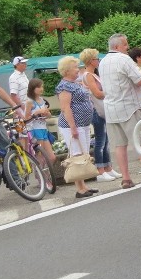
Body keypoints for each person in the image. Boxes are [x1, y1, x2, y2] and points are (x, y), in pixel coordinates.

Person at [99, 34, 141, 188]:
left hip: (111, 108)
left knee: (119, 145)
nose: (127, 47)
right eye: (125, 44)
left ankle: (126, 178)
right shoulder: (124, 60)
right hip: (130, 106)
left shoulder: (103, 62)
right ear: (117, 46)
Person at [55, 56, 97, 199]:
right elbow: (66, 108)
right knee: (77, 155)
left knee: (83, 153)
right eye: (75, 67)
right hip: (73, 125)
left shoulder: (75, 83)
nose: (78, 70)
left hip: (83, 124)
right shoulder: (64, 86)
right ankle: (79, 188)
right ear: (67, 70)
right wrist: (73, 127)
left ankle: (83, 185)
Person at [80, 48, 121, 182]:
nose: (98, 60)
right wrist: (111, 92)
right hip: (96, 110)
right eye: (96, 58)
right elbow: (97, 93)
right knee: (100, 141)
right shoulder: (88, 75)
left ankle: (108, 167)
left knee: (106, 141)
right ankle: (100, 170)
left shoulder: (94, 74)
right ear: (90, 61)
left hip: (102, 110)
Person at [23, 78, 58, 180]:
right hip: (35, 129)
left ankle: (44, 176)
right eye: (39, 87)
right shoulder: (29, 102)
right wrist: (37, 113)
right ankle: (42, 179)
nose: (41, 89)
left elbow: (48, 115)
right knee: (40, 156)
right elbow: (26, 119)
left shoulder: (42, 100)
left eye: (42, 86)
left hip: (43, 129)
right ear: (33, 88)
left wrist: (47, 114)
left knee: (52, 157)